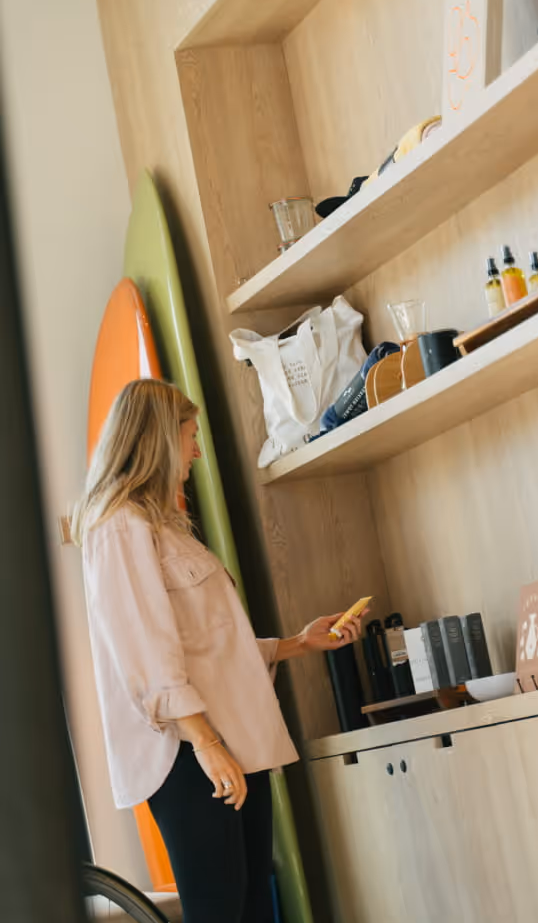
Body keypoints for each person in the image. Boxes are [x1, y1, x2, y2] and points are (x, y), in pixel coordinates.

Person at [73, 378, 363, 923]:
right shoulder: (118, 527)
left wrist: (299, 643)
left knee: (254, 908)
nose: (197, 450)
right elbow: (144, 653)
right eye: (190, 436)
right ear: (159, 439)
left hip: (227, 743)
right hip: (187, 752)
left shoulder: (170, 530)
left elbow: (205, 645)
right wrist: (205, 744)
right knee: (221, 912)